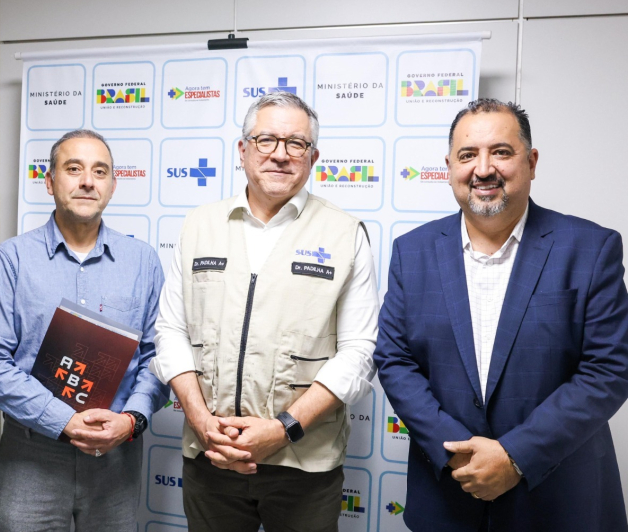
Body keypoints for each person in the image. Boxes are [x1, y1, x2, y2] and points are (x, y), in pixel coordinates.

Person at [374, 99, 628, 531]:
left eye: (501, 152)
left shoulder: (590, 248)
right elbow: (395, 360)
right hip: (448, 496)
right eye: (467, 155)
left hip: (558, 501)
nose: (483, 169)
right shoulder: (412, 251)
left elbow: (608, 370)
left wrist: (514, 457)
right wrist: (457, 451)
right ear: (449, 167)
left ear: (531, 162)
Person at [150, 91, 379, 532]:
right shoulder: (199, 225)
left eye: (296, 143)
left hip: (303, 466)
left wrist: (283, 428)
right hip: (211, 455)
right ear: (243, 150)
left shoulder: (345, 234)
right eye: (266, 140)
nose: (280, 154)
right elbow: (171, 331)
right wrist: (201, 422)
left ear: (313, 157)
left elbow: (359, 352)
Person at [0, 129, 169, 532]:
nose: (87, 181)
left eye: (100, 171)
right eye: (73, 169)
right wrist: (62, 420)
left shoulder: (143, 261)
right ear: (49, 181)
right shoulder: (11, 259)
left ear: (113, 185)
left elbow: (158, 356)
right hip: (32, 456)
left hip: (117, 457)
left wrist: (132, 419)